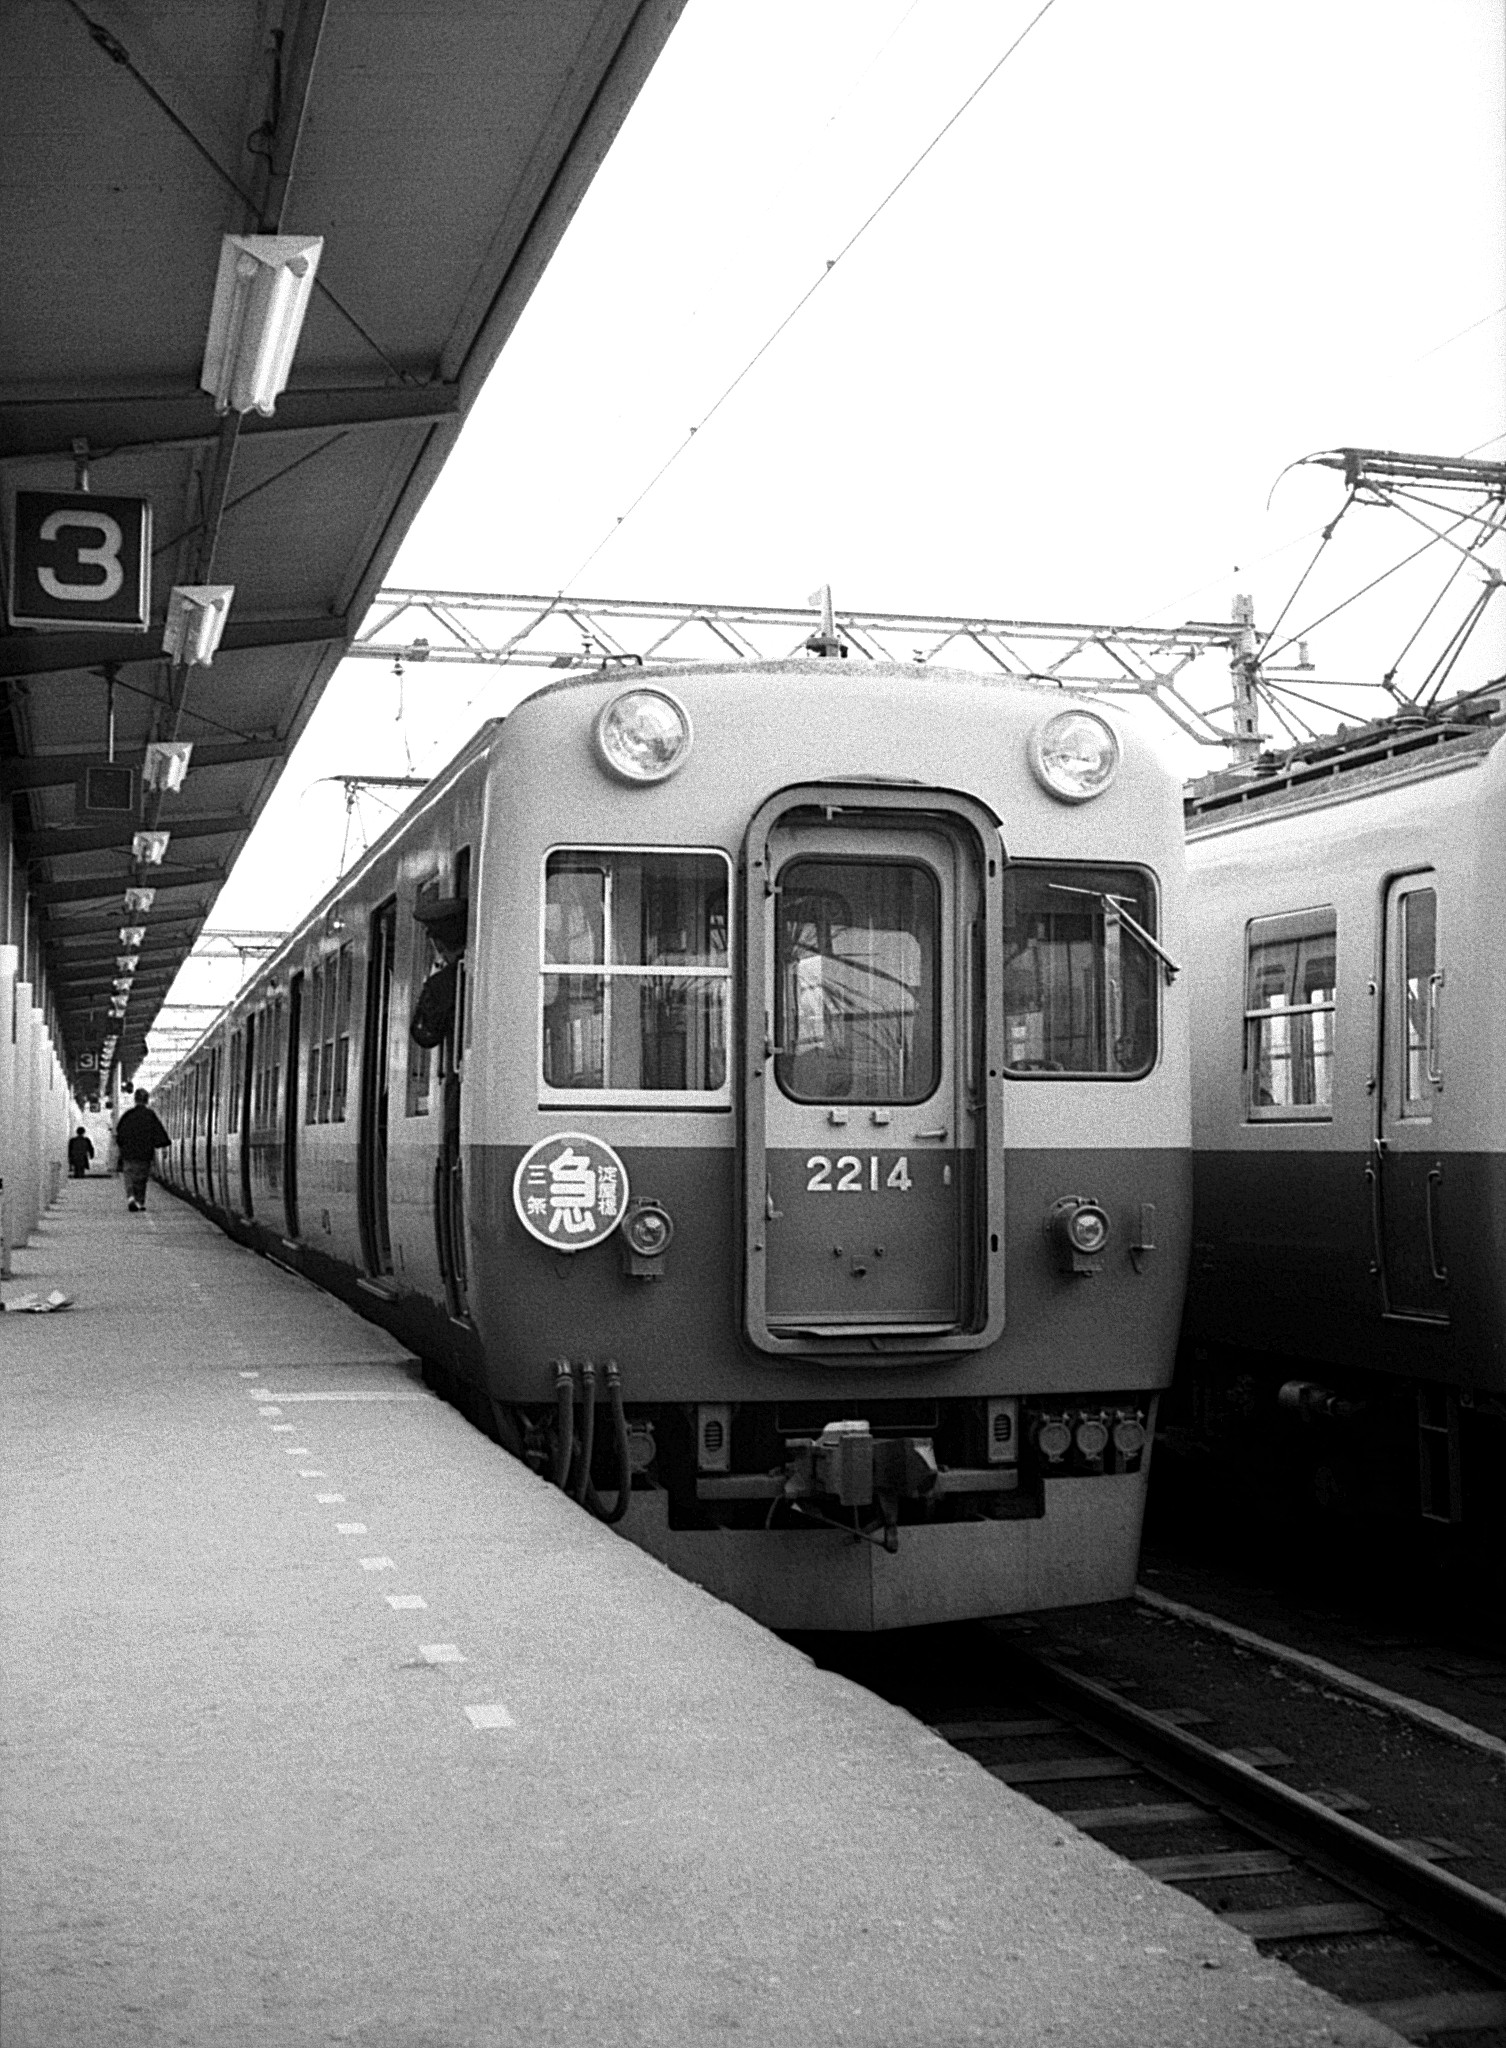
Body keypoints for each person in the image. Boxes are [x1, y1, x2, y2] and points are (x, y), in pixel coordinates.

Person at [114, 1089, 170, 1212]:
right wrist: (163, 1147)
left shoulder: (128, 1115)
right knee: (141, 1178)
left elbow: (119, 1133)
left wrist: (121, 1148)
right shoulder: (150, 1115)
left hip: (128, 1154)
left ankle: (131, 1197)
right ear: (147, 1100)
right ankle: (140, 1201)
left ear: (135, 1099)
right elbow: (159, 1132)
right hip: (145, 1154)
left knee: (129, 1176)